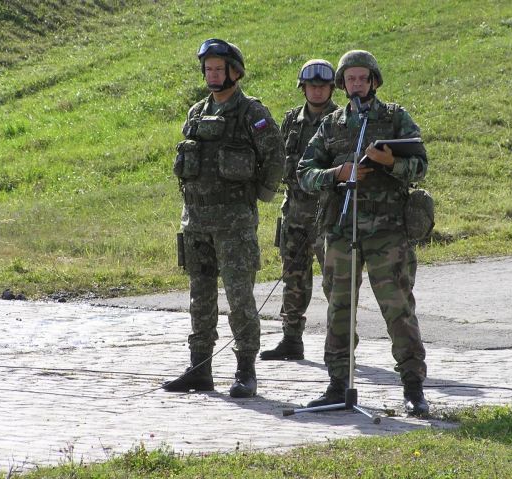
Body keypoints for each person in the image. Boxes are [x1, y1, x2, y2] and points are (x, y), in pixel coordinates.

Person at [296, 50, 430, 416]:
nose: (356, 85)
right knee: (339, 308)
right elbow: (305, 173)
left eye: (362, 78)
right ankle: (338, 384)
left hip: (388, 232)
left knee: (398, 308)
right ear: (343, 84)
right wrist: (337, 173)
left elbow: (420, 165)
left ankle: (413, 386)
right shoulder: (332, 125)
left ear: (373, 81)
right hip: (343, 229)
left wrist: (391, 162)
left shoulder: (395, 117)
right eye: (350, 79)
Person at [163, 38, 285, 398]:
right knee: (200, 298)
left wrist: (259, 196)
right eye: (209, 69)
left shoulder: (251, 113)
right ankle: (199, 368)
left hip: (234, 226)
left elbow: (275, 157)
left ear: (235, 72)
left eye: (219, 69)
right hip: (196, 223)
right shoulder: (196, 112)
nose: (213, 75)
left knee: (239, 299)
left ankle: (246, 370)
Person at [260, 59, 338, 361]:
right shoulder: (292, 120)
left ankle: (340, 345)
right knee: (293, 278)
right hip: (294, 212)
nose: (317, 91)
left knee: (335, 282)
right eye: (311, 86)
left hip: (327, 214)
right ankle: (291, 339)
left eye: (322, 86)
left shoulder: (341, 120)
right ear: (303, 88)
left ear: (331, 88)